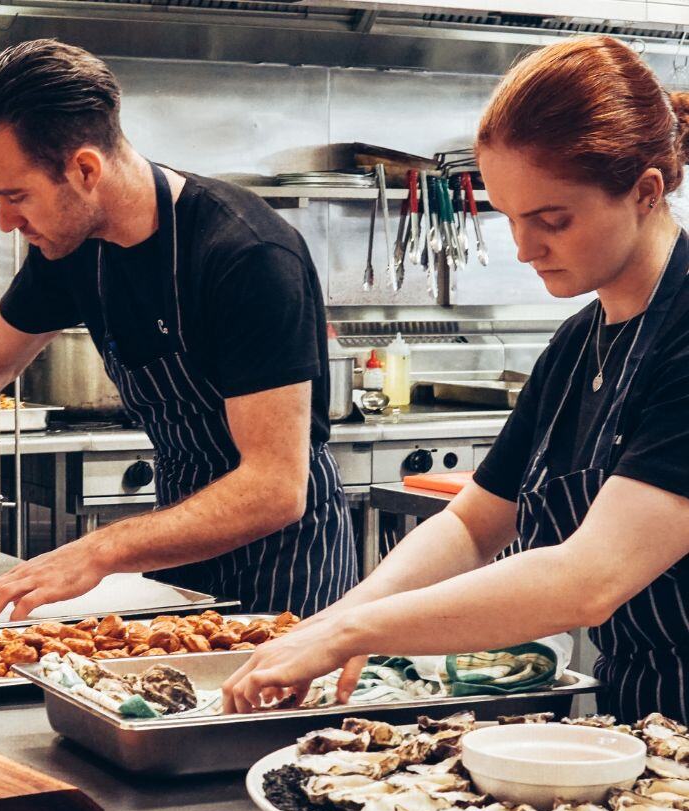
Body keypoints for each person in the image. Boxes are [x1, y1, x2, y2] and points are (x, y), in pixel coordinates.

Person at [0, 39, 357, 622]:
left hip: (288, 571)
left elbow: (274, 487)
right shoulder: (74, 248)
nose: (7, 221)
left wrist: (97, 551)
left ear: (85, 169)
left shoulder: (246, 254)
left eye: (17, 197)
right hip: (178, 549)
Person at [223, 35, 689, 723]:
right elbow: (473, 524)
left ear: (645, 192)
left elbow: (591, 579)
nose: (526, 248)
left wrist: (357, 633)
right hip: (640, 726)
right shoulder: (574, 348)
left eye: (551, 220)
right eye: (509, 218)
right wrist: (339, 618)